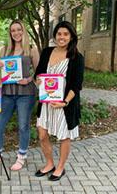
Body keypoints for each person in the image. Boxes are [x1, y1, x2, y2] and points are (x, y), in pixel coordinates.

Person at [0, 19, 39, 171]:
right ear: (10, 33)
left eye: (19, 29)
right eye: (13, 31)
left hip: (25, 94)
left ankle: (21, 156)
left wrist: (28, 79)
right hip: (6, 93)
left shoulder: (31, 49)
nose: (16, 33)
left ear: (23, 31)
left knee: (23, 126)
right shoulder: (4, 50)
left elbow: (39, 73)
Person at [33, 21, 84, 181]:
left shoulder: (76, 57)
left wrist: (65, 102)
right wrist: (38, 80)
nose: (62, 37)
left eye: (65, 34)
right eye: (59, 34)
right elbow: (39, 74)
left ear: (71, 37)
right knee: (42, 135)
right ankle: (49, 164)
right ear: (55, 36)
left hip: (63, 105)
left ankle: (60, 167)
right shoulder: (47, 51)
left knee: (63, 137)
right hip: (46, 103)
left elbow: (76, 85)